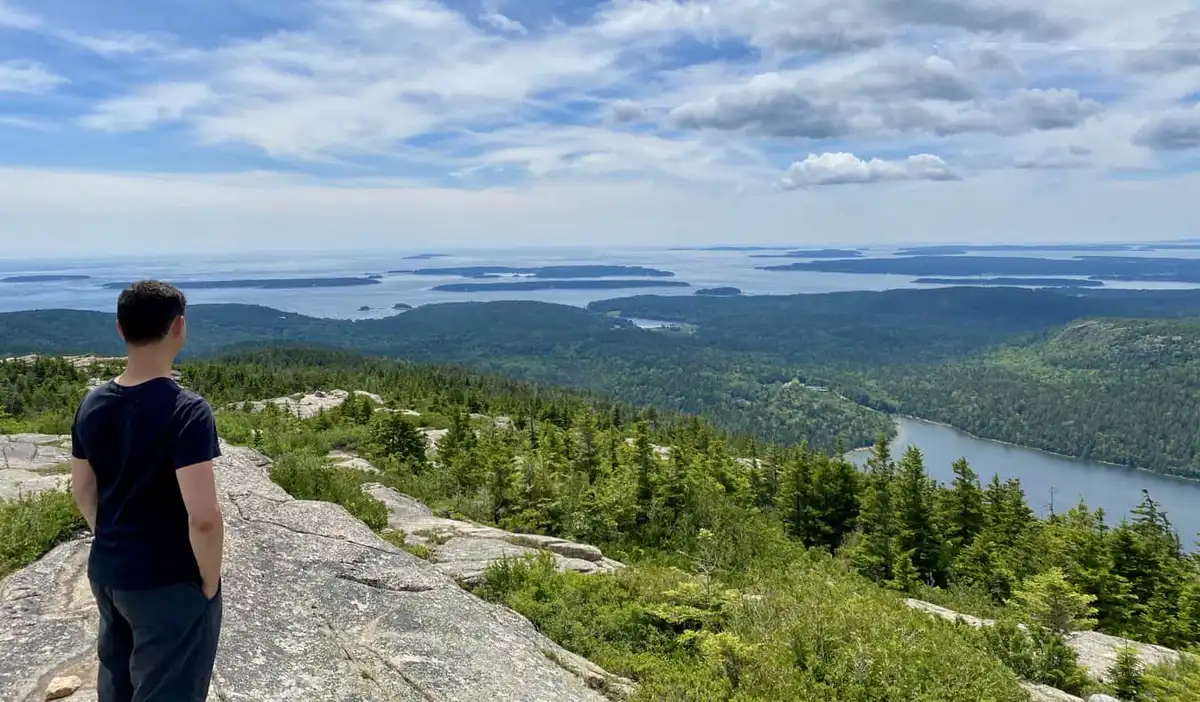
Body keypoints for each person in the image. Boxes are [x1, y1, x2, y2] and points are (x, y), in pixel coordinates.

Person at [70, 280, 225, 702]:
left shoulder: (92, 403)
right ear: (179, 327)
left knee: (117, 682)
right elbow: (205, 518)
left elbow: (82, 487)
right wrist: (208, 583)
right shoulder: (187, 411)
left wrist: (112, 538)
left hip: (108, 571)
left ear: (121, 330)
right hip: (167, 581)